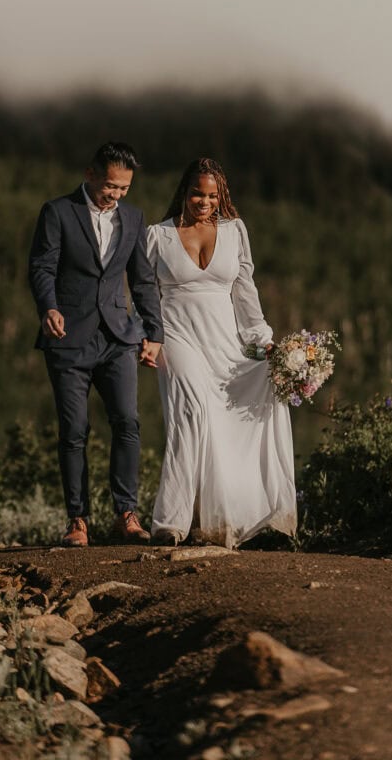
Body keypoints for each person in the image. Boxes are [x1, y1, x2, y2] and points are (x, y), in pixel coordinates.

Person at [147, 158, 297, 548]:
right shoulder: (157, 236)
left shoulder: (234, 231)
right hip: (176, 336)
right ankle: (170, 524)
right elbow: (142, 294)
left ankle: (240, 517)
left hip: (225, 342)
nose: (204, 202)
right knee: (191, 410)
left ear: (221, 197)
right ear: (184, 191)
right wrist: (146, 337)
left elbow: (245, 290)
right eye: (198, 193)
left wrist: (263, 340)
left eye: (212, 196)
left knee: (248, 403)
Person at [28, 142, 163, 547]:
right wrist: (48, 308)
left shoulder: (134, 219)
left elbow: (141, 279)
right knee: (74, 429)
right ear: (90, 174)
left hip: (119, 337)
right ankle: (78, 520)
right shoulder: (58, 212)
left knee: (127, 421)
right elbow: (42, 267)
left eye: (124, 188)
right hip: (68, 338)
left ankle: (126, 514)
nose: (117, 195)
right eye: (110, 186)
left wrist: (153, 334)